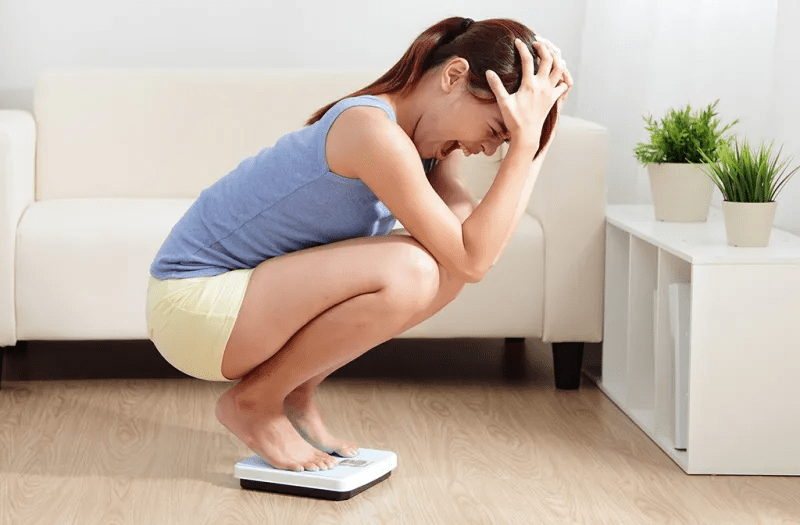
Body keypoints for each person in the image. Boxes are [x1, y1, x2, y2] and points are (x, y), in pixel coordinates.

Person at [146, 16, 572, 472]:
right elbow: (474, 259)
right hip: (193, 306)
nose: (487, 150)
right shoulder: (370, 129)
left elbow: (474, 248)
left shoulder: (429, 148)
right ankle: (255, 402)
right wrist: (524, 144)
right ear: (453, 76)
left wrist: (535, 144)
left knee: (441, 268)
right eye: (495, 129)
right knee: (413, 270)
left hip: (242, 309)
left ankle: (293, 390)